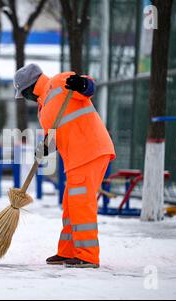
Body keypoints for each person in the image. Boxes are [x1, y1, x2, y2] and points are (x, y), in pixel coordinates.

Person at [14, 64, 116, 268]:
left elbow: (89, 87)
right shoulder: (43, 110)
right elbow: (53, 139)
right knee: (70, 206)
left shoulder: (61, 81)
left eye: (24, 94)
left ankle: (87, 255)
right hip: (77, 159)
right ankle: (67, 251)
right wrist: (44, 148)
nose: (25, 98)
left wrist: (82, 83)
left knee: (81, 204)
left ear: (30, 88)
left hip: (90, 151)